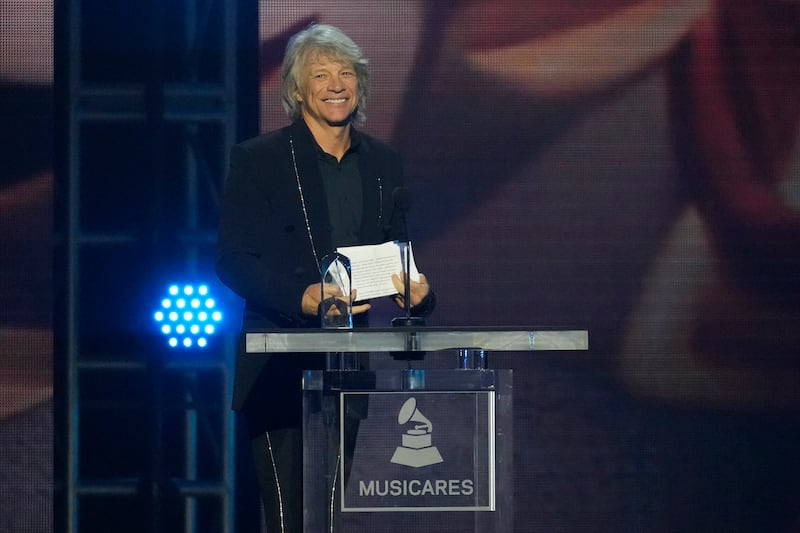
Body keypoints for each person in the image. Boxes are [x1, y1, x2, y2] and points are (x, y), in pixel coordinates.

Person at [215, 23, 435, 532]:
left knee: (330, 516)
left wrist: (418, 294)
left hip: (346, 361)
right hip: (277, 361)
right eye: (321, 74)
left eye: (346, 73)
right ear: (297, 88)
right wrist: (303, 296)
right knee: (289, 516)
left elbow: (393, 249)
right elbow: (233, 258)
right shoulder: (259, 160)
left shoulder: (383, 161)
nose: (336, 84)